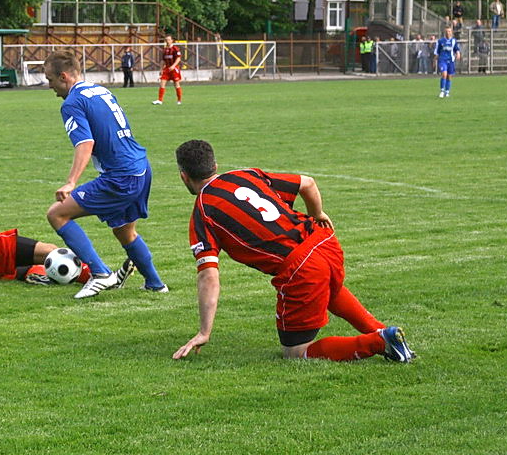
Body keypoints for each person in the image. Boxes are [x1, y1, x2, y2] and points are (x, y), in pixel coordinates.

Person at [171, 139, 416, 363]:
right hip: (323, 240)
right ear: (215, 165)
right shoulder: (246, 174)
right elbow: (307, 183)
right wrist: (317, 214)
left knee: (296, 352)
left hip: (300, 265)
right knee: (327, 288)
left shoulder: (203, 210)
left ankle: (379, 341)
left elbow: (208, 275)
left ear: (184, 176)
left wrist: (204, 332)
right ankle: (384, 332)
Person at [43, 51, 165, 299]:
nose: (50, 86)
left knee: (57, 214)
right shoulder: (100, 90)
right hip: (141, 167)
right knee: (124, 231)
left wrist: (71, 182)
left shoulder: (71, 103)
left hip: (121, 176)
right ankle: (155, 283)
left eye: (50, 80)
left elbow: (85, 143)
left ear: (63, 76)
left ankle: (100, 274)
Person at [152, 34, 182, 105]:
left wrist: (173, 66)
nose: (167, 41)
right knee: (162, 83)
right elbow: (163, 60)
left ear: (172, 40)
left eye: (169, 40)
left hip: (174, 69)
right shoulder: (165, 50)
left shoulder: (175, 49)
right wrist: (161, 69)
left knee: (176, 84)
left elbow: (178, 58)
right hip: (167, 69)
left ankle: (179, 100)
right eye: (166, 40)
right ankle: (160, 100)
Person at [434, 27, 461, 98]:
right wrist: (434, 61)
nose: (448, 33)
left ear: (451, 32)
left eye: (449, 31)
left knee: (449, 77)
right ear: (444, 32)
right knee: (444, 74)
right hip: (443, 60)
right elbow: (437, 52)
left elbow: (456, 49)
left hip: (451, 61)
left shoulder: (454, 41)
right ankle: (442, 91)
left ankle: (447, 92)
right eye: (446, 31)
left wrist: (458, 53)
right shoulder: (440, 41)